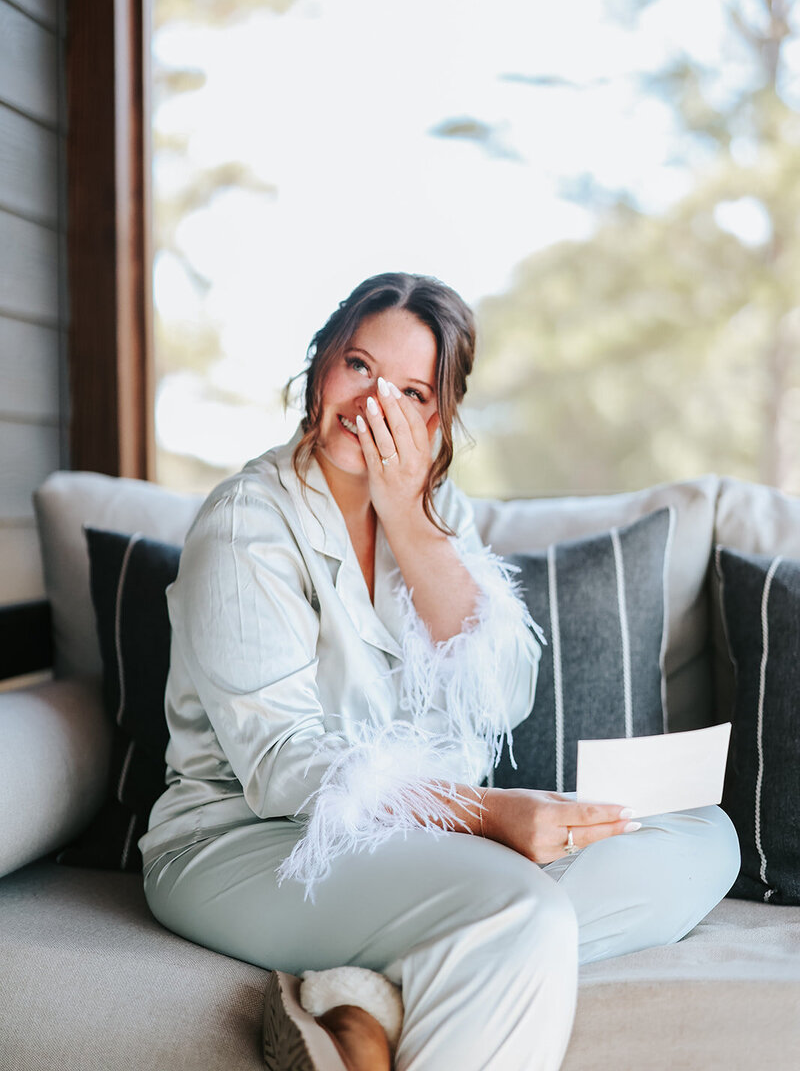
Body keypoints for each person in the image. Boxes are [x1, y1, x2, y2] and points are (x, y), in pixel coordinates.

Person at [140, 273, 740, 1071]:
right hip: (251, 845)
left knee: (702, 836)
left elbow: (505, 695)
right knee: (522, 912)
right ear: (320, 366)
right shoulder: (246, 522)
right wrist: (487, 816)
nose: (373, 401)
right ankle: (478, 939)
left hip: (424, 845)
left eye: (411, 389)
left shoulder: (437, 510)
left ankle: (364, 989)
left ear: (438, 414)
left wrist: (411, 522)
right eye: (358, 364)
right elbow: (285, 771)